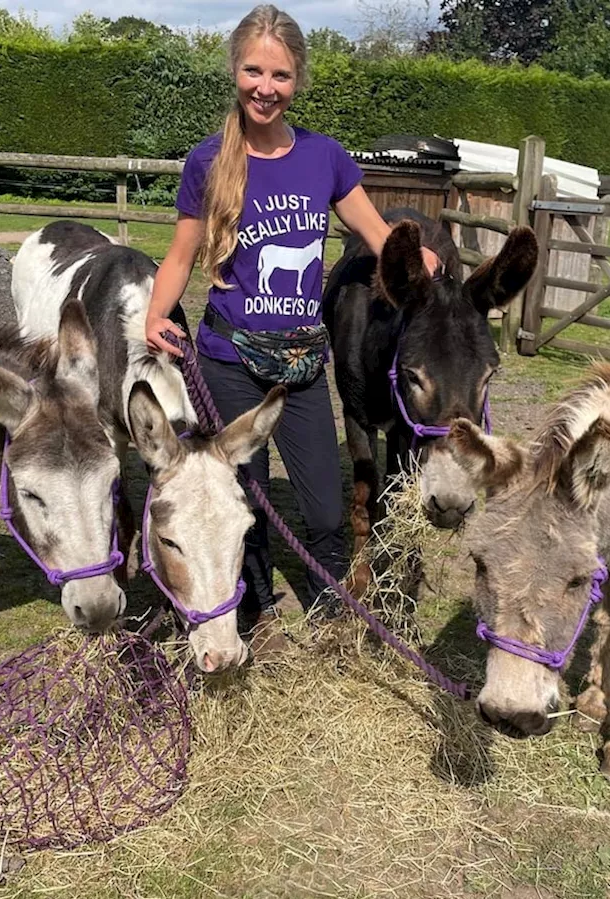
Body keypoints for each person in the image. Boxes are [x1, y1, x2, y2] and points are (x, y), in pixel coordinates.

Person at [145, 3, 441, 634]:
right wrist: (152, 314)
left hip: (302, 367)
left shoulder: (324, 157)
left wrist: (420, 260)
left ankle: (328, 606)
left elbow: (376, 233)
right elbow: (181, 253)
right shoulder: (208, 161)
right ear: (235, 70)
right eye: (254, 71)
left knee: (327, 511)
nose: (265, 87)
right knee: (240, 499)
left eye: (280, 75)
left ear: (298, 79)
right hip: (229, 361)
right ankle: (247, 608)